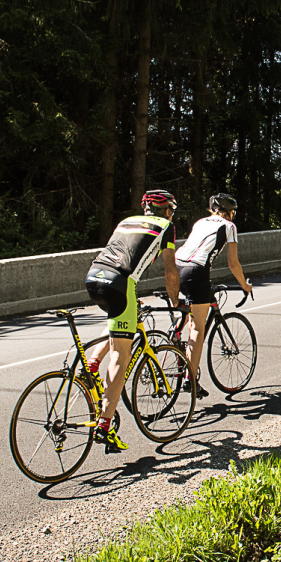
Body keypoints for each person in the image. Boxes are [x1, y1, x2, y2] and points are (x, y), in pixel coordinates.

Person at [84, 190, 180, 452]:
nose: (171, 214)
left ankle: (91, 366)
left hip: (94, 276)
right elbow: (170, 270)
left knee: (119, 319)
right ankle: (104, 425)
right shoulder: (166, 227)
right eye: (171, 209)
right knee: (121, 356)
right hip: (120, 283)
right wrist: (176, 301)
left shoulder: (126, 222)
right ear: (166, 211)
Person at [175, 192, 253, 397]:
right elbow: (233, 263)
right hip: (196, 271)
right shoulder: (229, 227)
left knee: (188, 310)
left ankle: (173, 338)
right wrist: (244, 285)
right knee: (198, 328)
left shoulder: (200, 222)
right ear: (229, 212)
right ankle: (190, 380)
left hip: (177, 266)